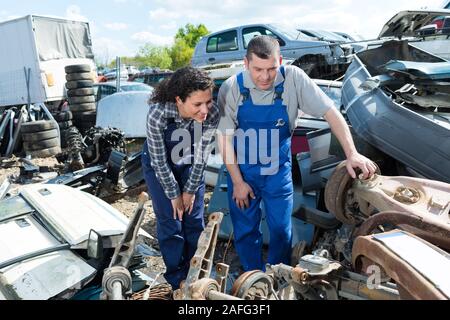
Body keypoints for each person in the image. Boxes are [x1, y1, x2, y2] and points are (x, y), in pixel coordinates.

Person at [217, 35, 377, 272]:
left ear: (280, 60)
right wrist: (238, 181)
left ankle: (277, 274)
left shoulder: (294, 79)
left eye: (272, 68)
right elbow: (224, 139)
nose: (265, 76)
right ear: (245, 63)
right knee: (245, 230)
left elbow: (331, 113)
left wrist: (352, 153)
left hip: (277, 172)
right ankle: (253, 277)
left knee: (281, 228)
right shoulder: (231, 88)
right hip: (242, 170)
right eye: (257, 69)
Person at [141, 67, 219, 289]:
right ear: (179, 100)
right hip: (159, 164)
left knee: (194, 219)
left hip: (191, 161)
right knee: (171, 221)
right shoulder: (158, 114)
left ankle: (198, 275)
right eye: (197, 105)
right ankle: (178, 279)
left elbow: (202, 157)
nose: (205, 110)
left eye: (208, 101)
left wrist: (190, 190)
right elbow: (158, 161)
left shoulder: (211, 114)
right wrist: (174, 193)